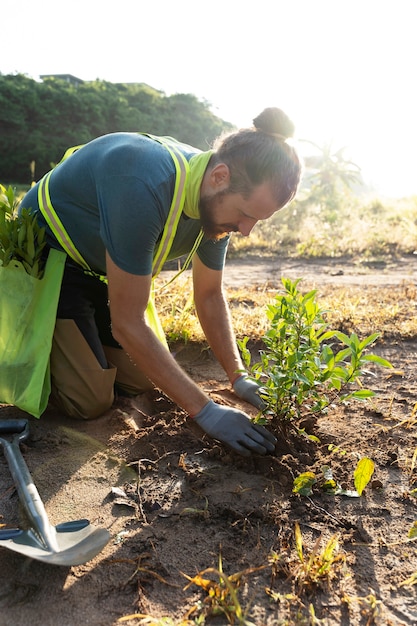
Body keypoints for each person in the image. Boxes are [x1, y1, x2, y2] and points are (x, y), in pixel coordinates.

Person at [20, 107, 302, 457]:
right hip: (55, 259)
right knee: (89, 399)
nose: (246, 230)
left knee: (139, 379)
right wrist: (206, 412)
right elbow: (127, 322)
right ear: (219, 176)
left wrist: (239, 376)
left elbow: (210, 295)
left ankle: (80, 338)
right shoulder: (144, 185)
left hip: (104, 270)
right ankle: (41, 349)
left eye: (257, 220)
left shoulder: (218, 204)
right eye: (246, 215)